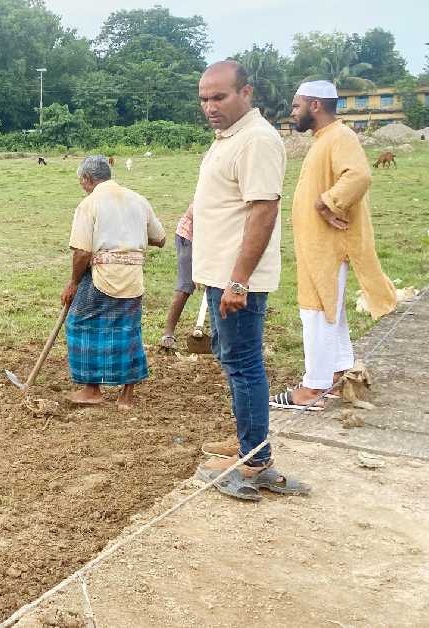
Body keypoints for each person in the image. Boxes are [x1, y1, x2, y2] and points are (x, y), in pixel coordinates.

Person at [191, 60, 310, 499]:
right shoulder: (230, 139)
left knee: (244, 366)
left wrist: (239, 281)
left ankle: (256, 461)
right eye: (204, 99)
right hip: (221, 274)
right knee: (234, 361)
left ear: (247, 93)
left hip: (236, 279)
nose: (210, 106)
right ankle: (248, 442)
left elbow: (263, 210)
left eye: (219, 97)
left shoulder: (258, 139)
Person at [269, 80, 397, 411]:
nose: (292, 111)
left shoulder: (340, 137)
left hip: (329, 245)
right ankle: (340, 373)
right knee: (330, 310)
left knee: (316, 311)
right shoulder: (325, 138)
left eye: (297, 105)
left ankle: (313, 387)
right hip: (318, 245)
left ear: (315, 105)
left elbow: (358, 176)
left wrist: (328, 203)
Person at [62, 155, 165, 410]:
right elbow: (160, 239)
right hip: (132, 277)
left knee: (79, 323)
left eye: (81, 182)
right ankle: (126, 397)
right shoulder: (138, 200)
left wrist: (73, 283)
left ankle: (92, 389)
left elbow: (82, 252)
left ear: (87, 179)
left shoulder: (89, 204)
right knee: (128, 330)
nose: (81, 186)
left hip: (103, 276)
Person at [158, 203, 196, 350]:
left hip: (216, 242)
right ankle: (167, 334)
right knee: (186, 285)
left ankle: (220, 334)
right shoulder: (212, 188)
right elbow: (193, 213)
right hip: (191, 237)